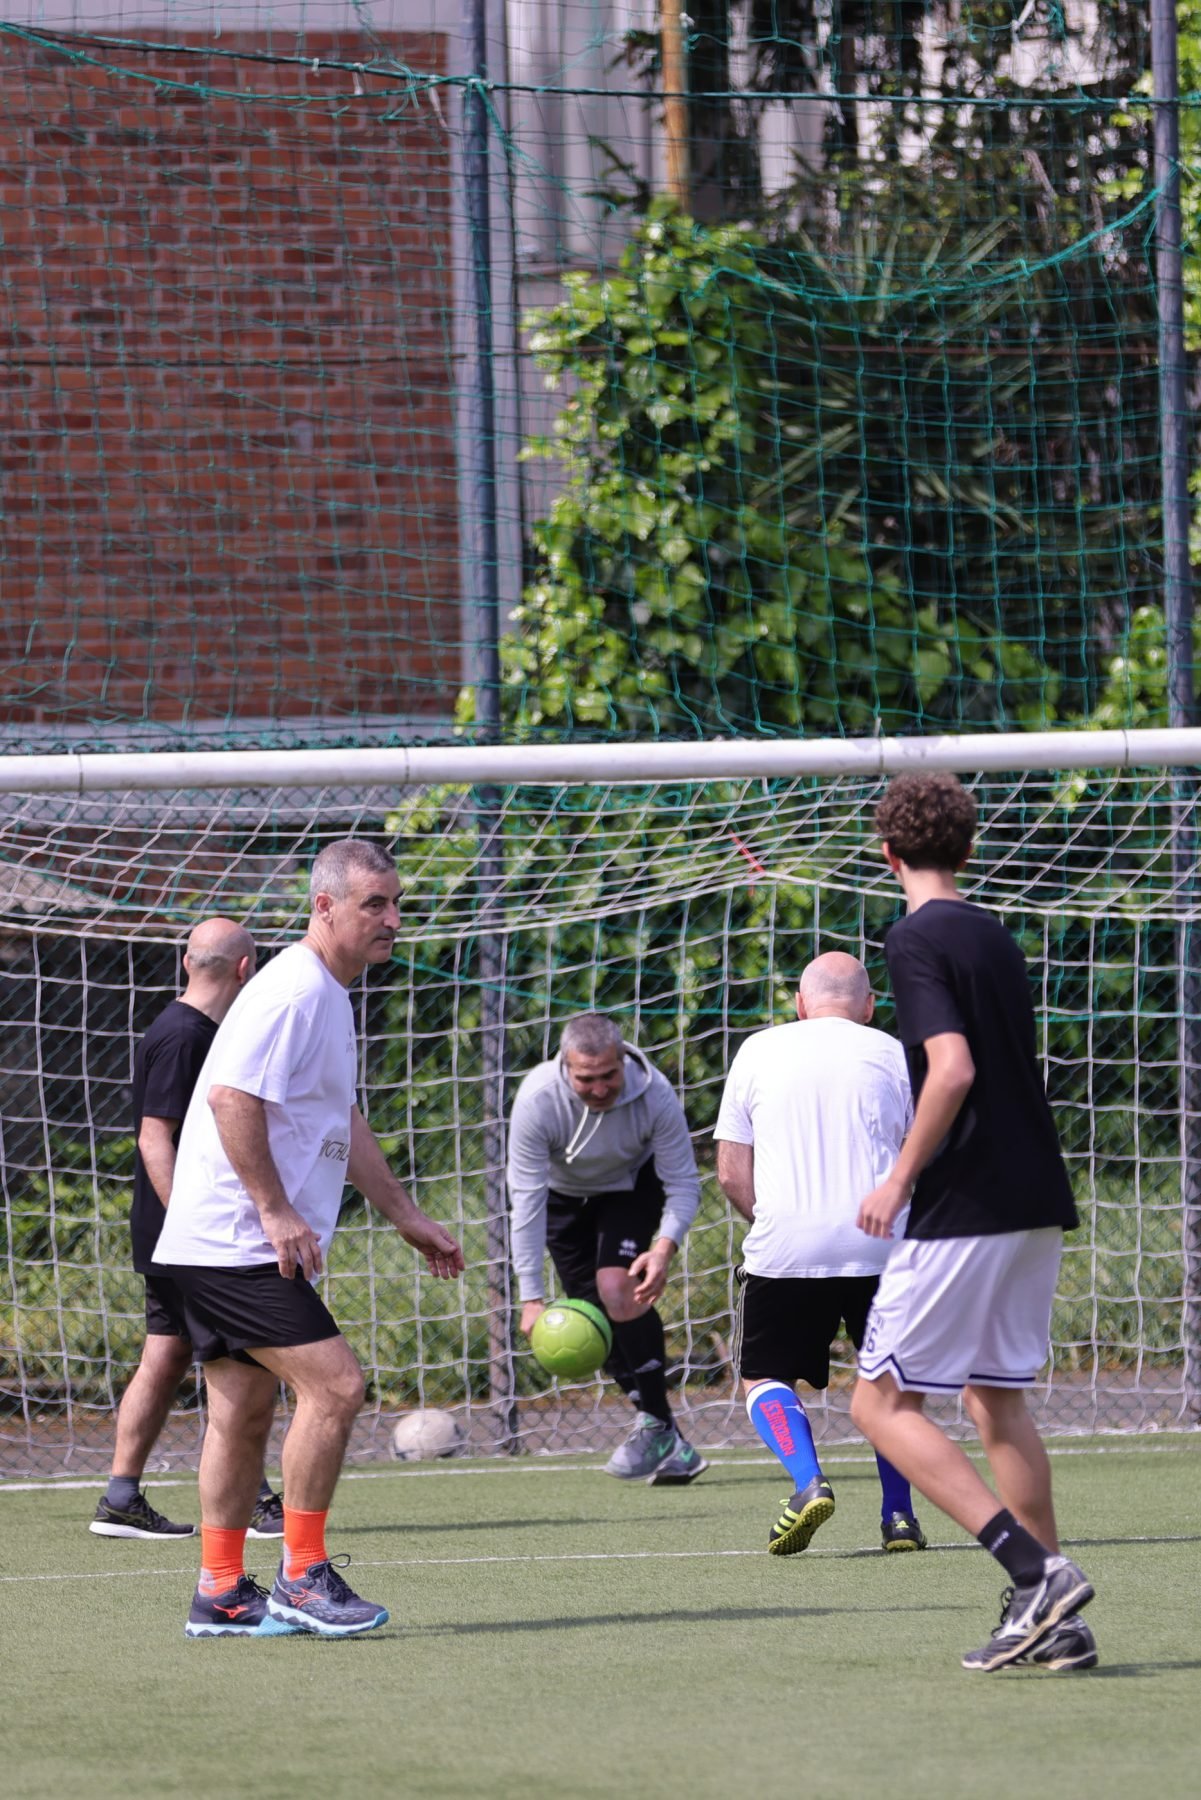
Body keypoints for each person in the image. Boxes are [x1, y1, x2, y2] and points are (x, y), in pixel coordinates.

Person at [153, 839, 465, 1638]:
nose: (392, 920)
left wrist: (407, 1217)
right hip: (237, 1244)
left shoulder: (326, 992)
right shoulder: (295, 989)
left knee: (242, 1411)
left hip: (219, 1244)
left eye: (396, 904)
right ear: (324, 907)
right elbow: (229, 1098)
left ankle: (222, 1592)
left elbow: (341, 1119)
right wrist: (274, 1210)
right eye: (373, 905)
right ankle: (301, 1576)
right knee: (336, 1388)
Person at [849, 771, 1096, 1673]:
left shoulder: (913, 936)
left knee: (878, 1403)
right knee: (994, 1397)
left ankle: (1034, 1571)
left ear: (886, 853)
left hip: (967, 1203)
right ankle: (1054, 1620)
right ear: (969, 846)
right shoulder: (992, 933)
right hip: (1034, 1199)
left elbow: (950, 1069)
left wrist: (898, 1176)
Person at [715, 951, 926, 1556]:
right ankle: (899, 1517)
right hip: (880, 1243)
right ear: (869, 1006)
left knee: (764, 1376)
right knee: (889, 1380)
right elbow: (924, 1158)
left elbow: (730, 1170)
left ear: (801, 1004)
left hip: (787, 1243)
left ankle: (809, 1482)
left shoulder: (758, 1049)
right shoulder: (895, 1053)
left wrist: (772, 1221)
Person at [90, 917, 284, 1542]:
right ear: (245, 969)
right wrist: (189, 1227)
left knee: (170, 1352)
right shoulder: (183, 1035)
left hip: (172, 1230)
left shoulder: (193, 1029)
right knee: (236, 1354)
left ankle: (121, 1497)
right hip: (185, 1231)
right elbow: (155, 1137)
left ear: (186, 962)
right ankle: (254, 1500)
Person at [508, 1012, 707, 1483]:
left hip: (629, 1188)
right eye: (586, 1079)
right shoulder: (537, 1099)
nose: (599, 1088)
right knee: (594, 1316)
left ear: (623, 1060)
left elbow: (683, 1183)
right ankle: (667, 1437)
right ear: (565, 1067)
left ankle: (655, 1426)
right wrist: (531, 1297)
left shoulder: (655, 1093)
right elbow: (527, 1202)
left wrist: (664, 1248)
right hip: (562, 1199)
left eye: (609, 1075)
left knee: (618, 1289)